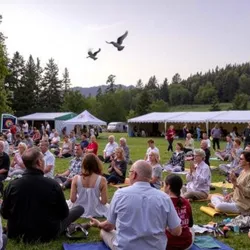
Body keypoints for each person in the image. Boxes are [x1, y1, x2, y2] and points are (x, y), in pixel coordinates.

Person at [89, 160, 182, 250]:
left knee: (104, 231)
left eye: (130, 172)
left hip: (125, 247)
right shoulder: (164, 198)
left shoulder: (120, 194)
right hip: (155, 247)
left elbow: (109, 226)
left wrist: (98, 224)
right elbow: (177, 231)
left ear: (134, 174)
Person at [0, 147, 84, 243]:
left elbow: (5, 214)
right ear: (39, 162)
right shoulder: (53, 185)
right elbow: (64, 214)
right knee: (79, 209)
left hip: (16, 232)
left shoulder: (12, 185)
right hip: (47, 233)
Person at [70, 153, 108, 218]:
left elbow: (72, 199)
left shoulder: (76, 178)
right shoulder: (102, 180)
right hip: (95, 209)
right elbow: (104, 202)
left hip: (79, 209)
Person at [164, 174, 194, 250]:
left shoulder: (163, 202)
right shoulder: (186, 202)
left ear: (168, 186)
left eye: (164, 184)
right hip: (186, 244)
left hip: (168, 245)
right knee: (191, 230)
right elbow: (190, 224)